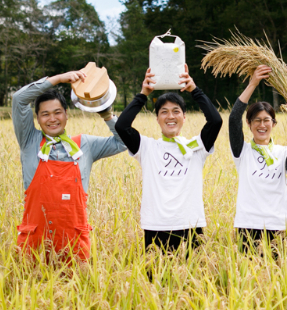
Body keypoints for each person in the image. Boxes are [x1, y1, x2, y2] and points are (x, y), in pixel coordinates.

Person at [12, 69, 127, 262]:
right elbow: (18, 99)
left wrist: (106, 113)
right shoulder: (29, 142)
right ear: (38, 119)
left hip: (74, 243)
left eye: (57, 112)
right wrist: (58, 79)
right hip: (35, 243)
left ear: (67, 114)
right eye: (45, 114)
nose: (52, 119)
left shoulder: (84, 145)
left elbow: (123, 142)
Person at [115, 64, 223, 253]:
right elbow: (122, 126)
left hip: (191, 225)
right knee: (156, 280)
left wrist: (194, 90)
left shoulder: (197, 147)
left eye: (176, 111)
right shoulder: (147, 147)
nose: (170, 116)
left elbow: (215, 121)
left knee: (193, 280)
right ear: (157, 118)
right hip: (156, 225)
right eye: (164, 112)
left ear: (184, 117)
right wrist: (143, 94)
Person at [229, 65, 287, 252]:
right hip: (249, 224)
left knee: (283, 278)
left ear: (273, 123)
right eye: (257, 120)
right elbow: (233, 119)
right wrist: (253, 83)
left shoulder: (282, 152)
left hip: (280, 223)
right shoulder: (242, 151)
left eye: (266, 120)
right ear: (249, 123)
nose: (262, 125)